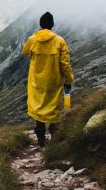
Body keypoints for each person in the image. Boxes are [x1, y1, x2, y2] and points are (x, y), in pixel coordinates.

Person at [22, 12, 74, 147]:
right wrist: (68, 80)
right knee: (53, 107)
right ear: (52, 25)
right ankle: (55, 136)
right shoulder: (59, 41)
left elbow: (25, 51)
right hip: (53, 81)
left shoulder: (33, 39)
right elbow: (65, 64)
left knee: (38, 107)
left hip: (36, 81)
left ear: (40, 24)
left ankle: (40, 136)